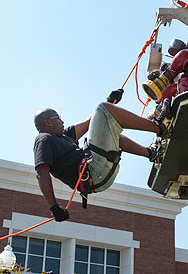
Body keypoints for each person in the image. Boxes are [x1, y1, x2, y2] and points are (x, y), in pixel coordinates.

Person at [33, 90, 170, 222]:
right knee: (103, 108)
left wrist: (110, 102)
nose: (62, 121)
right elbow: (42, 173)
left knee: (111, 132)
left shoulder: (65, 136)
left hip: (98, 173)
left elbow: (89, 123)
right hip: (93, 173)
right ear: (48, 122)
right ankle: (159, 126)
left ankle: (153, 154)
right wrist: (54, 207)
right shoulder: (43, 140)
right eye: (58, 118)